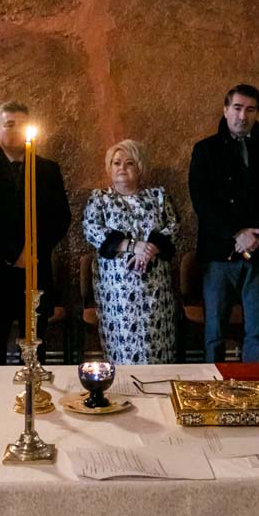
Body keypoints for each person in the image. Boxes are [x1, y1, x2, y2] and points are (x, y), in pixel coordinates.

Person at [187, 83, 259, 361]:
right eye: (237, 108)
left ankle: (253, 390)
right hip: (219, 251)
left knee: (257, 330)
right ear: (225, 110)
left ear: (257, 113)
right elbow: (202, 201)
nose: (242, 116)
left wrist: (254, 235)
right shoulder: (205, 150)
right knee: (214, 331)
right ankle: (212, 389)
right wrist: (236, 233)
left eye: (250, 109)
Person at [0, 101, 71, 365]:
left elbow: (60, 217)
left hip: (37, 268)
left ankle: (37, 398)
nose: (16, 130)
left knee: (36, 344)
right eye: (9, 124)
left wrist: (33, 251)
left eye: (22, 124)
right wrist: (14, 253)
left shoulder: (48, 170)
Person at [82, 139, 180, 363]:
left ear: (140, 166)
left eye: (129, 163)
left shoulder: (158, 197)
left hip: (154, 287)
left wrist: (149, 249)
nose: (122, 168)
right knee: (122, 348)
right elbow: (91, 229)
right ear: (109, 167)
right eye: (116, 163)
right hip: (117, 290)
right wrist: (132, 246)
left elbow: (173, 226)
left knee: (155, 347)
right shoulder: (100, 199)